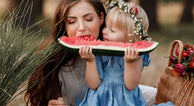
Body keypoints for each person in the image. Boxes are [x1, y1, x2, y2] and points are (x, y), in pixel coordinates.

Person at [24, 0, 157, 106]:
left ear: (101, 18)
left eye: (88, 19)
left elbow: (128, 88)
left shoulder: (110, 52)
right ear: (64, 25)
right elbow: (35, 100)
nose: (81, 28)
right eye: (72, 21)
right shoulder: (53, 60)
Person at [78, 0, 150, 105]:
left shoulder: (138, 54)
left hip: (125, 100)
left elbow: (130, 85)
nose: (104, 31)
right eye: (105, 26)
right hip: (99, 99)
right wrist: (90, 61)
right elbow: (94, 84)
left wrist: (129, 63)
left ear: (129, 36)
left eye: (111, 30)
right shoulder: (100, 50)